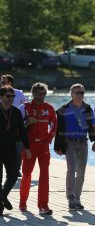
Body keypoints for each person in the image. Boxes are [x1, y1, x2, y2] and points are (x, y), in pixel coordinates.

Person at [54, 83, 95, 210]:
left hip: (83, 142)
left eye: (82, 93)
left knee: (81, 171)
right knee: (71, 169)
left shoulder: (88, 108)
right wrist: (58, 146)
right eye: (77, 92)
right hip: (69, 142)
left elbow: (93, 125)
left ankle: (77, 198)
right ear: (71, 94)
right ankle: (71, 198)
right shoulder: (64, 109)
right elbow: (59, 129)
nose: (80, 95)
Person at [19, 82, 57, 215]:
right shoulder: (24, 107)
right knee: (27, 174)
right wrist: (26, 122)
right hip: (29, 145)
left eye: (44, 93)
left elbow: (54, 124)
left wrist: (50, 137)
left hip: (43, 145)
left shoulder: (50, 108)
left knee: (44, 175)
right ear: (33, 93)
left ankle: (43, 205)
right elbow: (17, 126)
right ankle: (23, 202)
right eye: (39, 93)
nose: (42, 96)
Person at [0, 86, 31, 217]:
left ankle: (2, 197)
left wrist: (27, 147)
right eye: (8, 96)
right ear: (1, 97)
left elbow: (23, 132)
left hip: (11, 149)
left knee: (13, 176)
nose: (11, 99)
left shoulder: (16, 112)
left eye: (12, 97)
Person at [0, 74, 27, 177]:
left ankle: (16, 169)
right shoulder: (1, 93)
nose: (1, 84)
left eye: (3, 82)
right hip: (3, 122)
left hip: (16, 122)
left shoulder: (19, 93)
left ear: (10, 83)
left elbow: (26, 106)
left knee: (18, 148)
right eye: (1, 82)